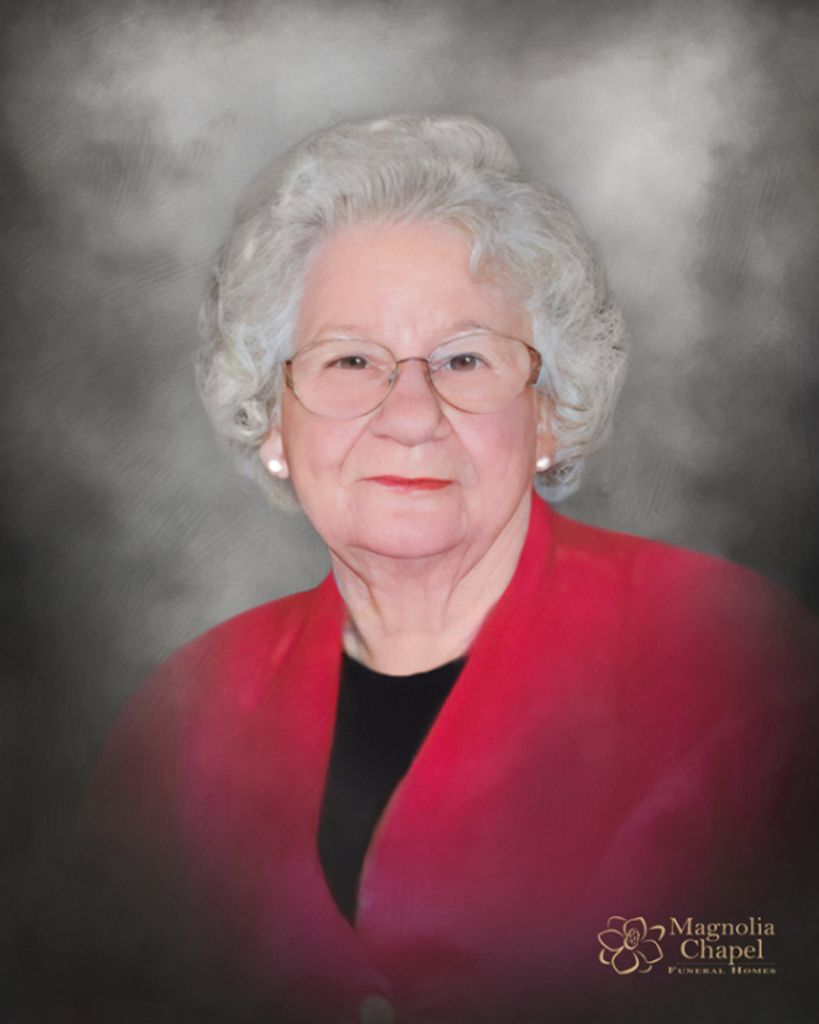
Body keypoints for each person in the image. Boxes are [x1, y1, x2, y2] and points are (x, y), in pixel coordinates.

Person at [33, 115, 818, 1024]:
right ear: (273, 421)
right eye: (350, 359)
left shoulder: (734, 659)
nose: (410, 414)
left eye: (464, 359)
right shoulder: (180, 720)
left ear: (547, 413)